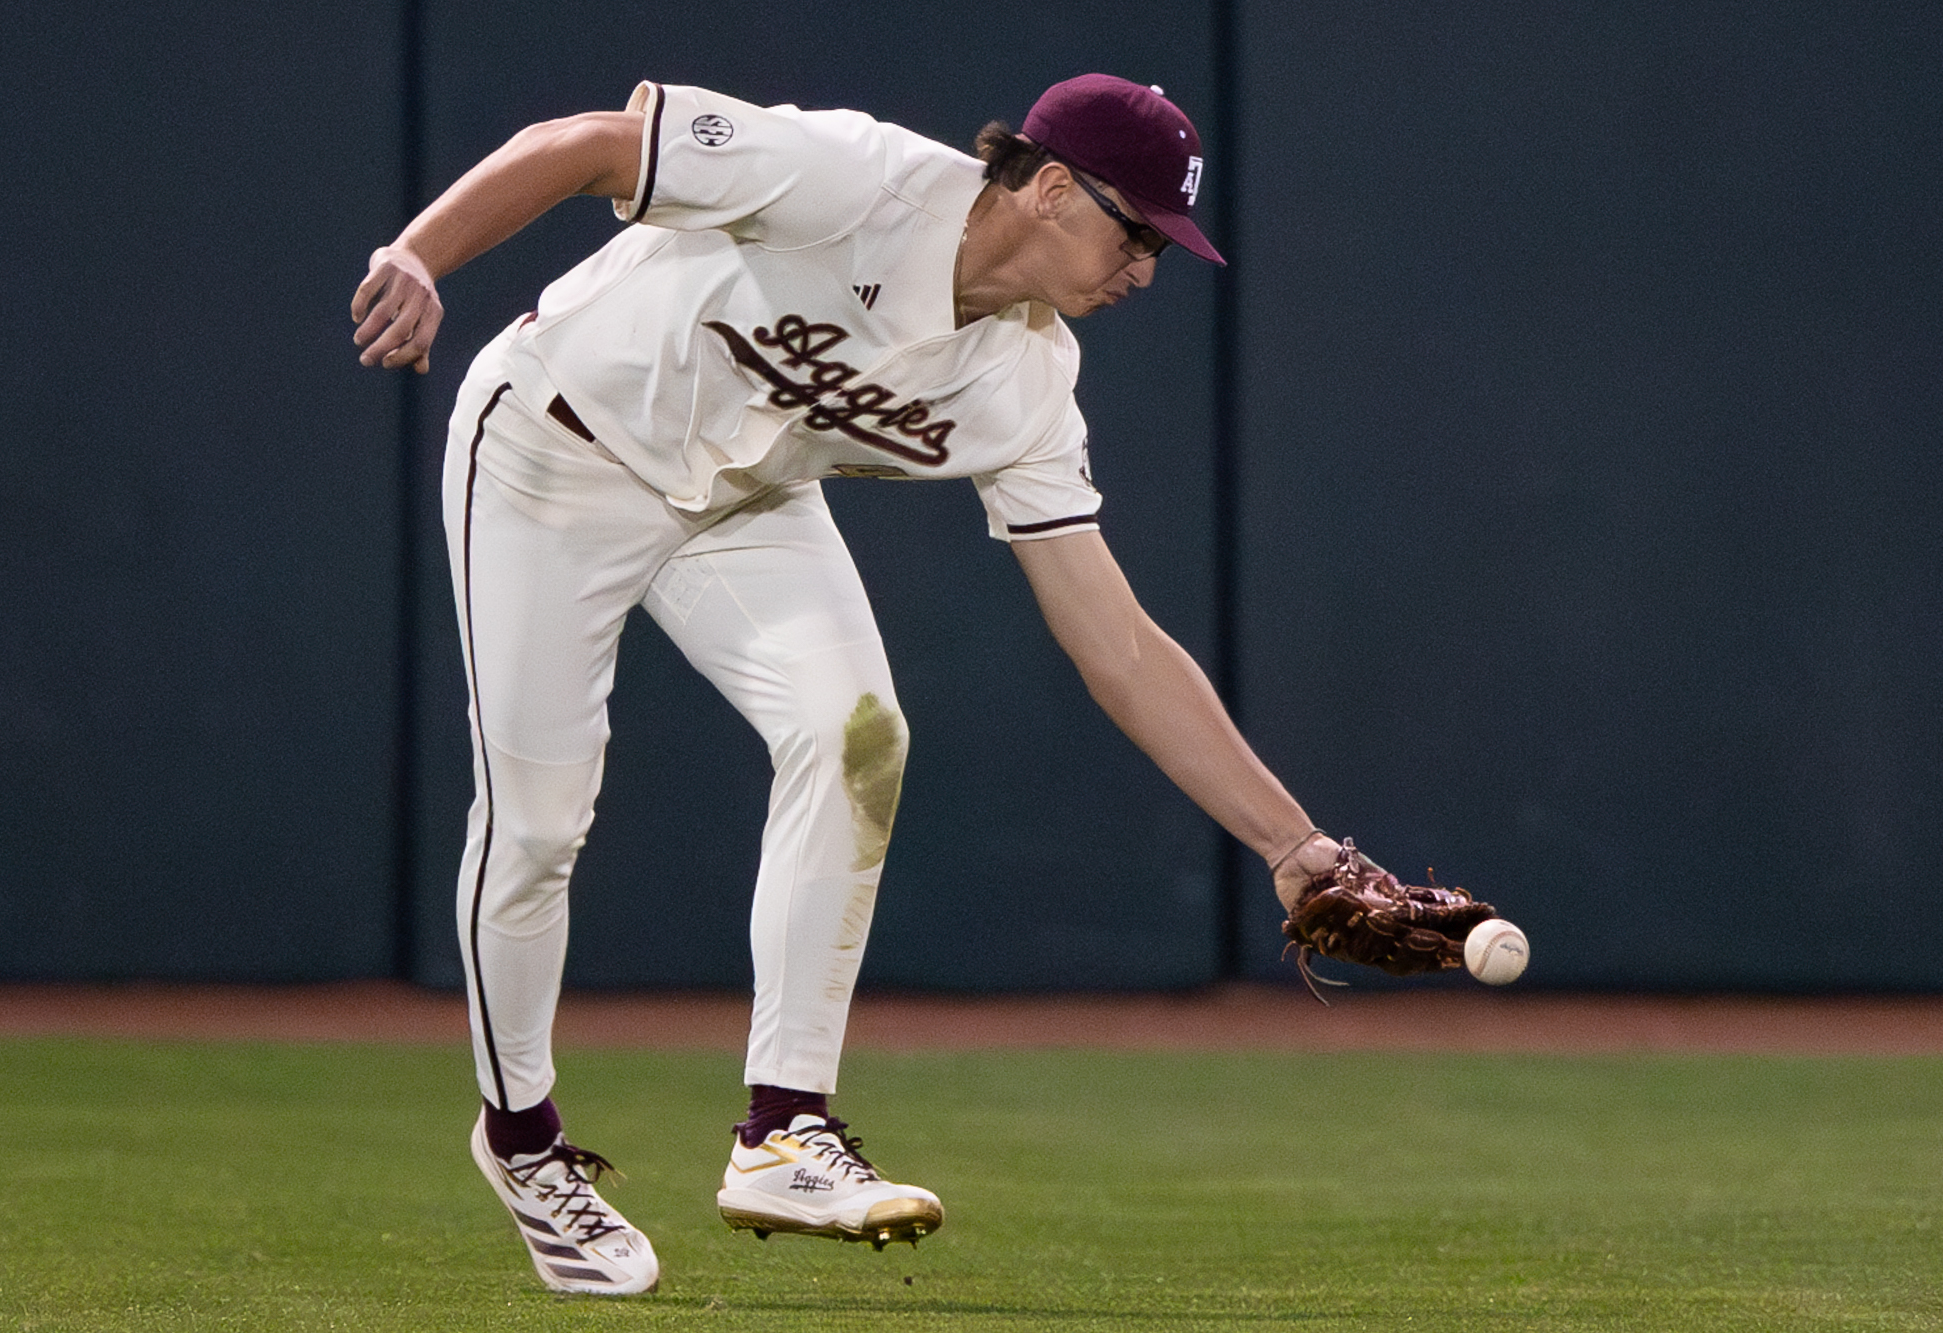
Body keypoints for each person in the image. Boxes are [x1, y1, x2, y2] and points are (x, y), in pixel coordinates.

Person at [351, 73, 1346, 1297]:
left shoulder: (1026, 384)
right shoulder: (851, 178)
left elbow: (1119, 648)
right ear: (1044, 188)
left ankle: (783, 1133)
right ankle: (522, 1141)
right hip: (554, 453)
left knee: (856, 734)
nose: (1146, 264)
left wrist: (1291, 845)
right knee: (539, 824)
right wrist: (419, 251)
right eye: (1134, 229)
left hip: (740, 500)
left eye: (1164, 241)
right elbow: (587, 144)